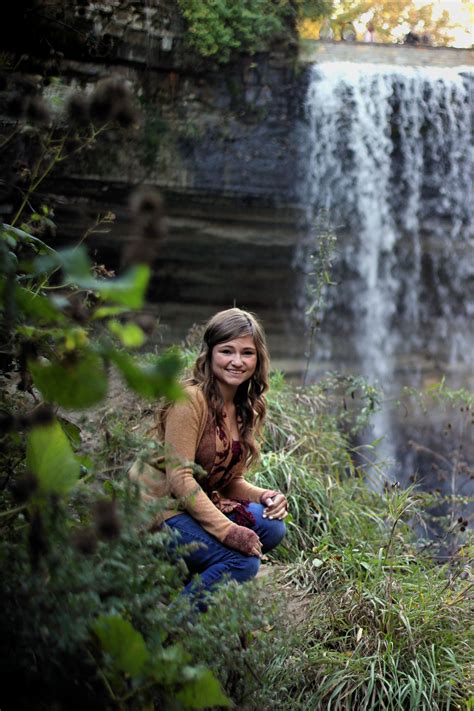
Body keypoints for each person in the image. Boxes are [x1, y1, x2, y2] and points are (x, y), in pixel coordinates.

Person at [130, 308, 287, 609]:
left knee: (272, 527)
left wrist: (266, 496)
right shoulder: (189, 399)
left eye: (247, 353)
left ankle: (194, 577)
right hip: (160, 511)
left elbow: (230, 482)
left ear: (258, 359)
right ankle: (170, 628)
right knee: (243, 564)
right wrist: (228, 531)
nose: (237, 361)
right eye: (227, 351)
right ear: (209, 353)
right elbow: (179, 478)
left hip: (194, 506)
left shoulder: (245, 407)